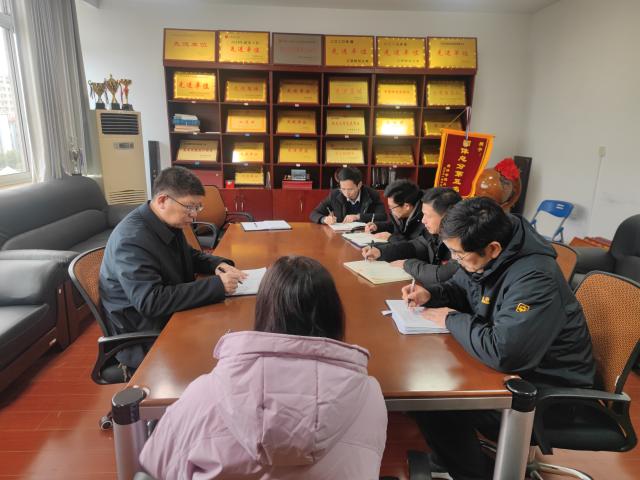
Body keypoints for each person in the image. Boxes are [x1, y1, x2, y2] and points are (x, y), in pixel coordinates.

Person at [139, 255, 388, 480]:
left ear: (265, 310)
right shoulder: (368, 394)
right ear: (333, 313)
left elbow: (159, 465)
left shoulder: (205, 393)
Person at [402, 197, 595, 480]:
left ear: (493, 249)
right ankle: (452, 459)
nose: (455, 260)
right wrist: (432, 294)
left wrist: (450, 318)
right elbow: (461, 288)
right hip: (520, 373)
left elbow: (505, 353)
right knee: (432, 388)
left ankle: (473, 473)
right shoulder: (491, 253)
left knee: (435, 401)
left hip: (550, 392)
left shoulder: (534, 278)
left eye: (459, 255)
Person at [100, 166, 246, 371]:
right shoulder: (131, 240)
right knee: (229, 346)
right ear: (162, 201)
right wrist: (217, 286)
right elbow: (151, 301)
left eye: (197, 207)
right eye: (189, 207)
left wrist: (218, 264)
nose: (194, 215)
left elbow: (189, 255)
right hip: (147, 334)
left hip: (172, 315)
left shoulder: (163, 222)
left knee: (234, 327)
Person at [362, 187, 461, 287]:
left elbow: (442, 274)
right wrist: (381, 251)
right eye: (423, 215)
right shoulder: (435, 231)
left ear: (447, 216)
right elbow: (415, 246)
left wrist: (407, 264)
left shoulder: (461, 239)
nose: (423, 220)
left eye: (428, 216)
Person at [309, 167, 386, 224]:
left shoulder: (372, 194)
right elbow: (314, 213)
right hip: (340, 235)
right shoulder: (335, 194)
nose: (346, 193)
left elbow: (382, 216)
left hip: (363, 234)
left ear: (359, 185)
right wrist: (324, 219)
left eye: (350, 189)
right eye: (343, 189)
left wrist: (358, 216)